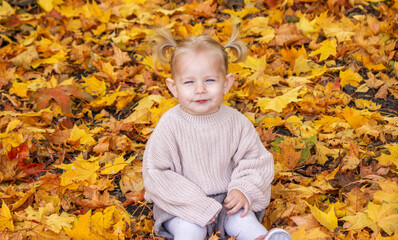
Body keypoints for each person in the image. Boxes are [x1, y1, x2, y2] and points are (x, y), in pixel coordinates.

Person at [142, 26, 292, 240]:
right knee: (190, 230)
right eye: (189, 82)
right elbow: (157, 173)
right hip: (183, 205)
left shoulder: (236, 122)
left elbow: (256, 161)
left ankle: (261, 238)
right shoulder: (170, 125)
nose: (200, 89)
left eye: (209, 80)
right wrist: (195, 204)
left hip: (228, 199)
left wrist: (243, 190)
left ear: (226, 83)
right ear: (173, 87)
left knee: (243, 220)